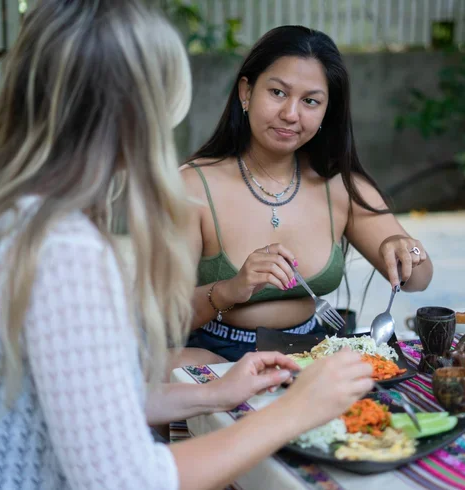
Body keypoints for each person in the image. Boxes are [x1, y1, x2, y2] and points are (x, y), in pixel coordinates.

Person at [0, 3, 375, 490]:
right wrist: (294, 411)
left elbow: (89, 403)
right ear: (133, 112)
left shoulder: (8, 215)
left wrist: (214, 394)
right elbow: (129, 479)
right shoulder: (66, 252)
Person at [181, 25, 434, 364]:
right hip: (217, 356)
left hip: (312, 354)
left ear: (327, 111)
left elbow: (419, 280)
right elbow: (161, 318)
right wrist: (230, 290)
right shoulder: (193, 187)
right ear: (246, 92)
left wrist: (406, 249)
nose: (290, 114)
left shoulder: (339, 186)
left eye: (310, 101)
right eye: (277, 93)